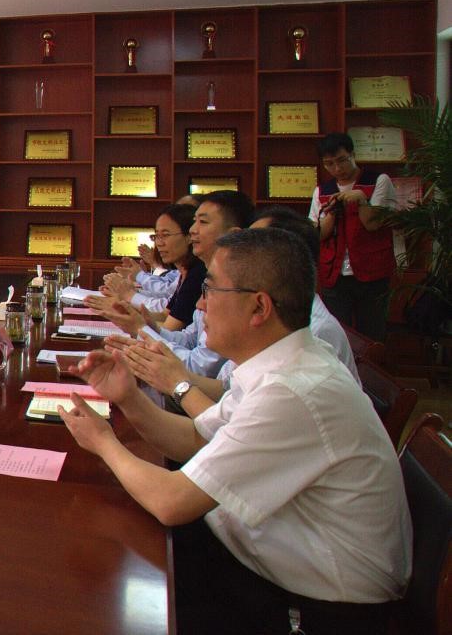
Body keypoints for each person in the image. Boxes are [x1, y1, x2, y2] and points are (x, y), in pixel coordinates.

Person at [59, 227, 410, 635]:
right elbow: (197, 438)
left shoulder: (295, 389)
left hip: (319, 609)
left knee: (104, 587)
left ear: (259, 307)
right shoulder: (276, 364)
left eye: (210, 290)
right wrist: (128, 399)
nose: (200, 304)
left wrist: (104, 442)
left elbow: (172, 501)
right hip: (261, 559)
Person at [117, 205, 359, 416]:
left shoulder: (306, 341)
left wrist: (173, 379)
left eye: (202, 222)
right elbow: (226, 393)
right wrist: (162, 377)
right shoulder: (269, 315)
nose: (201, 305)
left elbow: (215, 417)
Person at [90, 190, 253, 379]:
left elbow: (199, 367)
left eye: (203, 222)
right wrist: (150, 327)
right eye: (194, 221)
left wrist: (141, 329)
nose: (193, 230)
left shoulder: (230, 285)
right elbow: (189, 339)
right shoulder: (208, 275)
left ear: (233, 235)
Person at [311, 132, 398, 340]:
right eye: (329, 164)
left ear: (353, 154)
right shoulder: (322, 190)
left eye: (342, 160)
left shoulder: (378, 181)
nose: (337, 169)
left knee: (372, 333)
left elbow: (373, 224)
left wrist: (361, 201)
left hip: (372, 271)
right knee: (336, 333)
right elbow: (317, 234)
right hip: (334, 274)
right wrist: (332, 212)